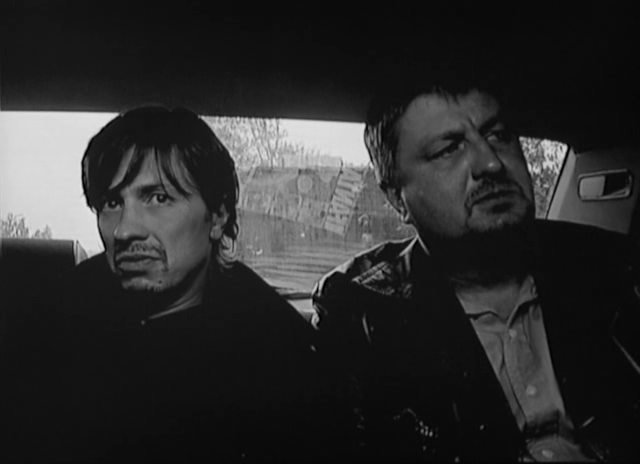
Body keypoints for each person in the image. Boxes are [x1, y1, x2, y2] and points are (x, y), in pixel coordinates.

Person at [312, 74, 640, 462]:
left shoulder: (613, 268)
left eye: (499, 135)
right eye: (448, 149)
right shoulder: (362, 314)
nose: (491, 162)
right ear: (397, 199)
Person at [6, 106, 327, 462]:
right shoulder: (47, 327)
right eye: (112, 203)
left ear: (217, 216)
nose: (125, 230)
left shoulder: (278, 358)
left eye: (158, 198)